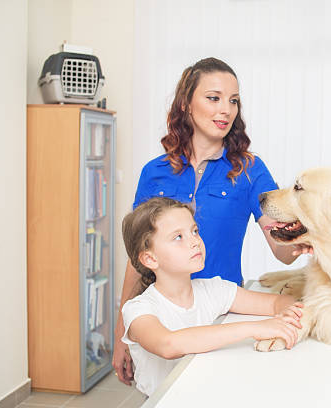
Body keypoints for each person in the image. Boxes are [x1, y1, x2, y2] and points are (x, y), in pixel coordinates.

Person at [114, 57, 312, 384]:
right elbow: (138, 258)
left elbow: (279, 245)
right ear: (186, 104)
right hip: (162, 315)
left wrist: (298, 240)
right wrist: (123, 333)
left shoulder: (250, 169)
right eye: (214, 98)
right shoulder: (154, 171)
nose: (226, 110)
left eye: (233, 101)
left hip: (222, 312)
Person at [120, 197, 303, 396]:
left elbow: (278, 302)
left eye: (194, 231)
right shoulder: (138, 309)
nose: (195, 242)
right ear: (150, 258)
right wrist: (256, 328)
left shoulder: (214, 290)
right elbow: (168, 344)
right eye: (178, 237)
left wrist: (288, 312)